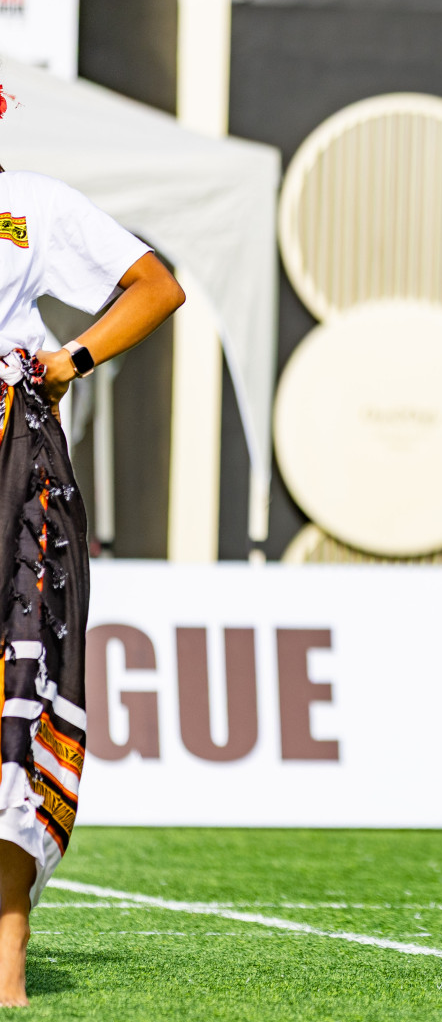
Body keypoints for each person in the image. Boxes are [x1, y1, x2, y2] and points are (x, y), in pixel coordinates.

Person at [0, 84, 185, 1006]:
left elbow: (156, 283)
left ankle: (7, 968)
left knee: (14, 712)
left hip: (14, 471)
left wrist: (71, 358)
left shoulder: (30, 204)